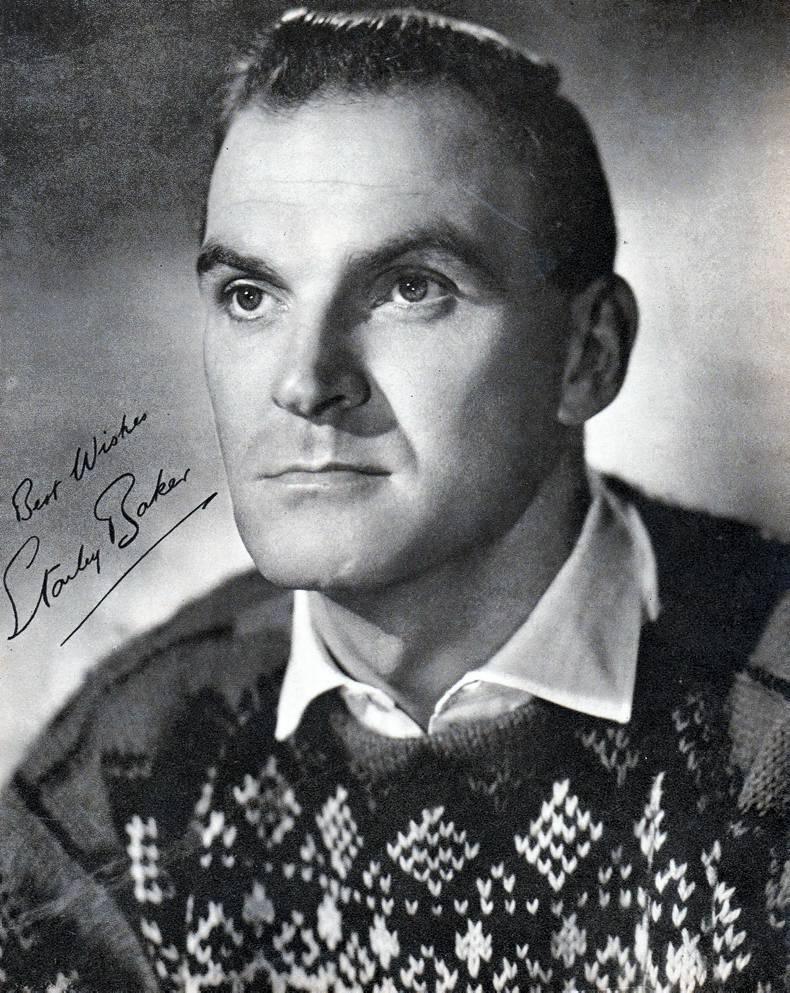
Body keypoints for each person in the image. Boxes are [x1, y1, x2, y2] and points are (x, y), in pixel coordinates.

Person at [0, 8, 787, 991]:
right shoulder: (125, 770)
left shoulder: (768, 734)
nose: (304, 381)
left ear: (587, 353)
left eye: (411, 287)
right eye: (250, 295)